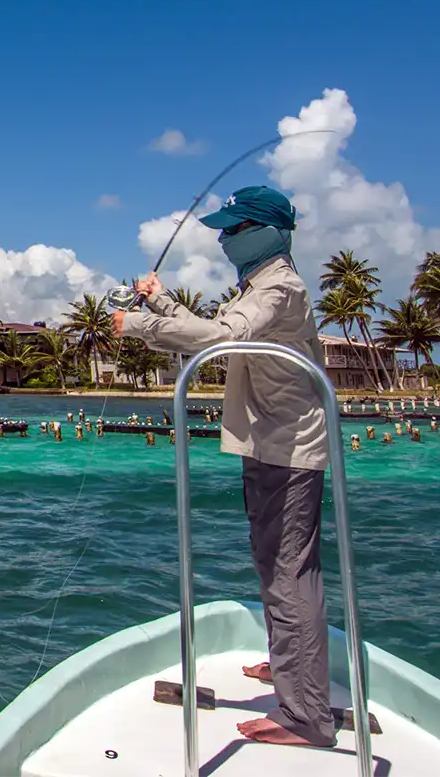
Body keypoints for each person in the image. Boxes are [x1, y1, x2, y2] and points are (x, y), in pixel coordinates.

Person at [111, 185, 335, 748]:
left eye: (233, 228)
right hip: (270, 442)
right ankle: (292, 666)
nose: (222, 237)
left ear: (264, 232)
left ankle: (306, 714)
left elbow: (221, 337)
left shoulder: (278, 288)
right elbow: (223, 327)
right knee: (275, 564)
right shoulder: (259, 288)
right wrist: (160, 302)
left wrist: (135, 325)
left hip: (286, 448)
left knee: (289, 572)